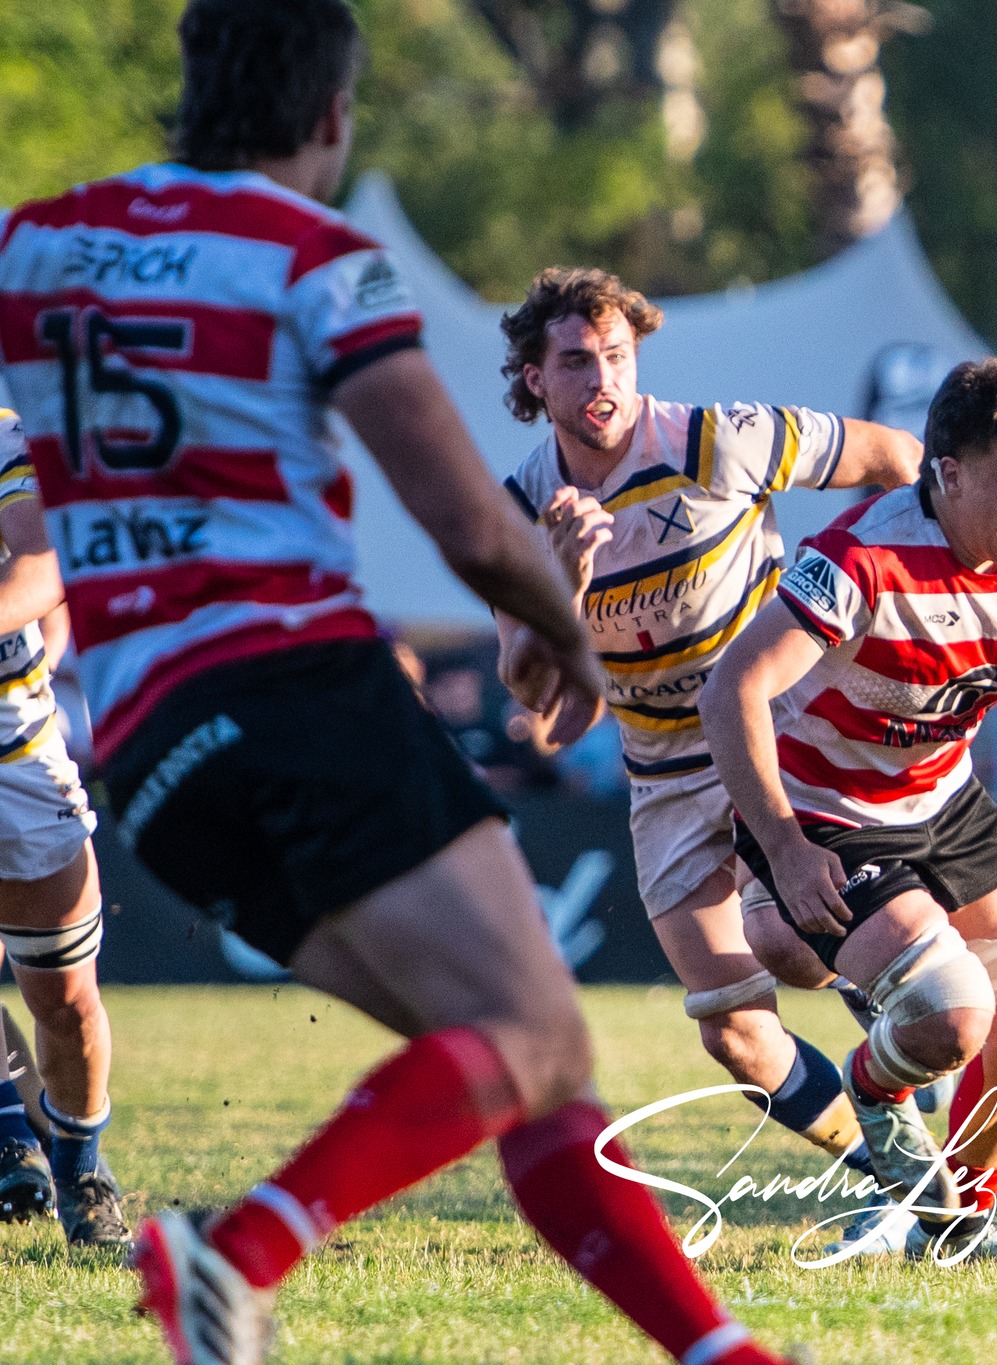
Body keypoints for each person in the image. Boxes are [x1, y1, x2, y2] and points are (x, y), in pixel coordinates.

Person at [0, 3, 783, 1361]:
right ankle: (235, 1253)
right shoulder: (313, 259)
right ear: (331, 114)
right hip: (298, 695)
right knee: (530, 1035)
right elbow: (469, 519)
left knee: (521, 1055)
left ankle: (718, 1350)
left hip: (147, 752)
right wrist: (565, 633)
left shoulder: (34, 243)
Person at [702, 360, 997, 1261]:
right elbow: (732, 690)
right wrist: (785, 845)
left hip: (940, 796)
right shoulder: (861, 557)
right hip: (827, 808)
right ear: (947, 472)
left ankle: (954, 1225)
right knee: (951, 1016)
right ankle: (873, 1081)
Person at [495, 264, 925, 1230]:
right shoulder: (519, 511)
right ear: (534, 379)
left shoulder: (715, 438)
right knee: (734, 1031)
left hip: (783, 733)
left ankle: (907, 1044)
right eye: (577, 362)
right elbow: (528, 687)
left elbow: (898, 457)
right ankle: (900, 1179)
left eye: (617, 355)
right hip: (663, 771)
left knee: (798, 942)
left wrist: (876, 598)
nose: (603, 379)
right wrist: (562, 578)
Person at [0, 412, 126, 1247]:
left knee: (64, 1000)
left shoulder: (6, 439)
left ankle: (80, 1161)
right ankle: (12, 1137)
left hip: (13, 753)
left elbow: (43, 567)